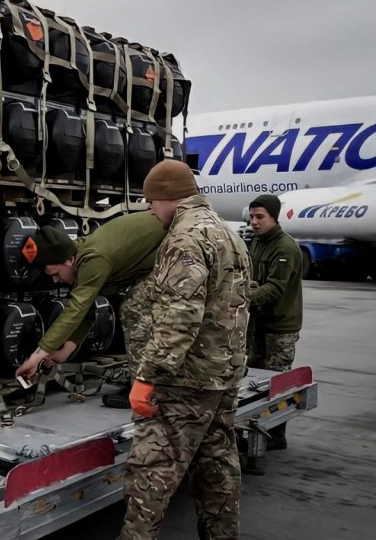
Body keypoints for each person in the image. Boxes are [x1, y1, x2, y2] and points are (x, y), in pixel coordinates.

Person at [121, 159, 251, 540]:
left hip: (184, 381)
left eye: (151, 202)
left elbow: (180, 316)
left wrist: (148, 377)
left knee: (152, 471)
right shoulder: (229, 235)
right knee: (218, 465)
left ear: (168, 199)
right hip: (223, 375)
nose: (150, 210)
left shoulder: (185, 239)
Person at [14, 212, 166, 409]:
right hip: (160, 258)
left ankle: (147, 392)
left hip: (177, 251)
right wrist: (63, 353)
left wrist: (37, 356)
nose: (55, 280)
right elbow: (86, 312)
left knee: (135, 311)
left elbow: (76, 310)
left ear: (68, 260)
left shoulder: (93, 259)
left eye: (55, 273)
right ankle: (147, 384)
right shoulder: (81, 257)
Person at [246, 194, 303, 451]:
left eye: (260, 217)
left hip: (280, 327)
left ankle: (277, 434)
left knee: (277, 382)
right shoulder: (258, 242)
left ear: (274, 217)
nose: (254, 222)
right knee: (254, 380)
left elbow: (275, 288)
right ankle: (257, 428)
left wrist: (241, 298)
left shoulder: (285, 247)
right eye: (252, 217)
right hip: (259, 322)